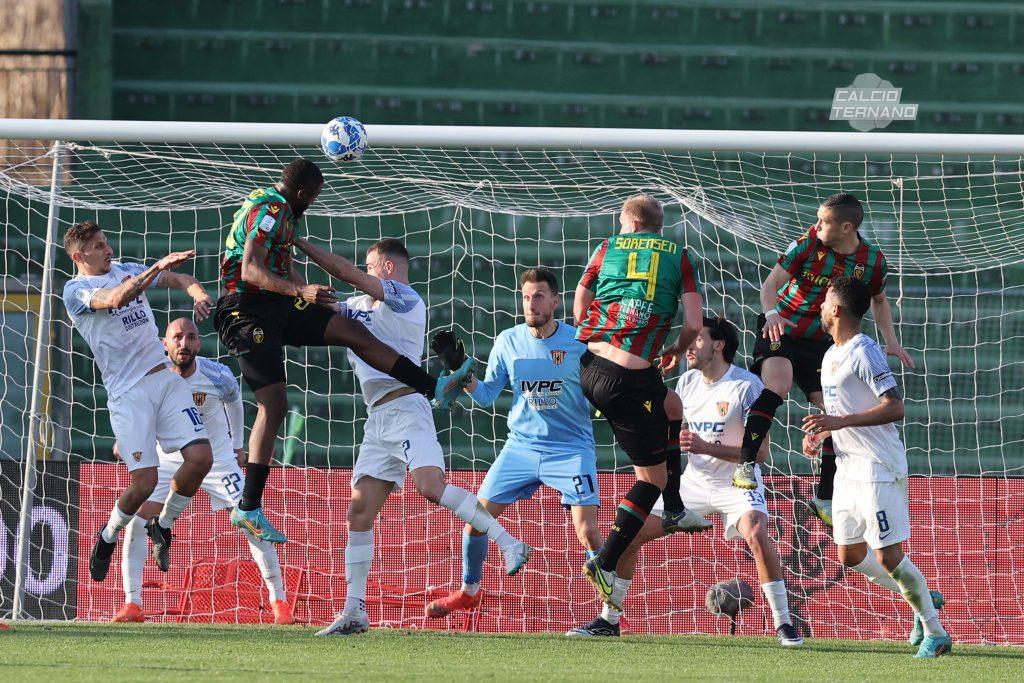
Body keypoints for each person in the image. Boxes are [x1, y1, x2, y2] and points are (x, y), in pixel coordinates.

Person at [213, 159, 473, 544]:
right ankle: (249, 507)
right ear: (304, 193)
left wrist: (309, 296)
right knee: (275, 404)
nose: (314, 203)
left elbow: (282, 267)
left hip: (276, 304)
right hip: (244, 309)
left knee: (354, 332)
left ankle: (433, 387)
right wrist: (300, 292)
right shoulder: (271, 209)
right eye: (314, 197)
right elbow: (250, 270)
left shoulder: (285, 214)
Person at [286, 237, 531, 637]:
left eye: (369, 265)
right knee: (359, 512)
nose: (363, 272)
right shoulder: (357, 309)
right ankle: (354, 610)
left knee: (430, 487)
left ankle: (509, 544)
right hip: (377, 418)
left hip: (407, 408)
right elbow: (315, 298)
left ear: (385, 268)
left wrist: (299, 239)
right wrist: (287, 265)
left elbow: (344, 273)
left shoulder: (405, 299)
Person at [568, 317, 803, 646]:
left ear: (719, 345)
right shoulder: (687, 383)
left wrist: (708, 447)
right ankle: (609, 620)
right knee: (630, 534)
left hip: (735, 484)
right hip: (692, 482)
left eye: (697, 339)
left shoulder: (746, 386)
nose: (689, 346)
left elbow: (760, 453)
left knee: (757, 532)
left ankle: (784, 624)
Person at [425, 268, 603, 620]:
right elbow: (487, 396)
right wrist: (463, 374)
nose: (531, 303)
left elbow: (602, 390)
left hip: (571, 450)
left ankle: (611, 611)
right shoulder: (508, 341)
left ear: (555, 301)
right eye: (526, 297)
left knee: (590, 533)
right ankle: (469, 592)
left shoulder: (579, 342)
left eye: (538, 296)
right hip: (520, 448)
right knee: (475, 521)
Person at [734, 193, 914, 529]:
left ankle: (823, 497)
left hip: (820, 343)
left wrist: (891, 341)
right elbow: (770, 284)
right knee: (779, 384)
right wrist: (771, 313)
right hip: (781, 326)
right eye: (817, 219)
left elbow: (879, 299)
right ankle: (746, 464)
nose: (817, 226)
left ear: (846, 227)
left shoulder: (872, 261)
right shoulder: (806, 244)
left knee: (834, 413)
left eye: (824, 222)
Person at [574, 193, 711, 609]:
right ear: (653, 225)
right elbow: (693, 323)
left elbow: (581, 302)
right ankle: (605, 559)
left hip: (591, 364)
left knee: (672, 406)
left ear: (629, 224)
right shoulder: (678, 254)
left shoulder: (606, 247)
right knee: (651, 478)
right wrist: (674, 348)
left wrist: (600, 332)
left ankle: (674, 508)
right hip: (626, 379)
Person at [803, 276, 949, 658]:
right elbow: (840, 412)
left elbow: (894, 407)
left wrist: (837, 423)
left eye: (824, 302)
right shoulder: (830, 354)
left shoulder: (864, 351)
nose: (819, 307)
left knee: (888, 555)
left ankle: (935, 631)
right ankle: (924, 600)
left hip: (877, 466)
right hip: (848, 468)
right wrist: (822, 433)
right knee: (849, 555)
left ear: (836, 309)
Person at [111, 318, 293, 625]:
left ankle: (280, 602)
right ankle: (133, 604)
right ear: (164, 344)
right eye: (177, 337)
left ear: (199, 344)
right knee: (138, 520)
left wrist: (237, 446)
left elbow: (235, 402)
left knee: (252, 521)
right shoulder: (149, 376)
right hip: (167, 458)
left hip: (218, 458)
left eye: (191, 337)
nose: (184, 343)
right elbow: (135, 412)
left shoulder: (217, 374)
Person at [61, 220, 214, 580]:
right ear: (80, 255)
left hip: (164, 378)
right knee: (144, 482)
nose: (108, 249)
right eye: (99, 246)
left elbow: (179, 279)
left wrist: (197, 294)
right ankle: (107, 535)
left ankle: (164, 524)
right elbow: (116, 298)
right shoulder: (75, 289)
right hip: (128, 393)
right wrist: (158, 266)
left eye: (106, 242)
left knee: (200, 458)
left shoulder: (127, 269)